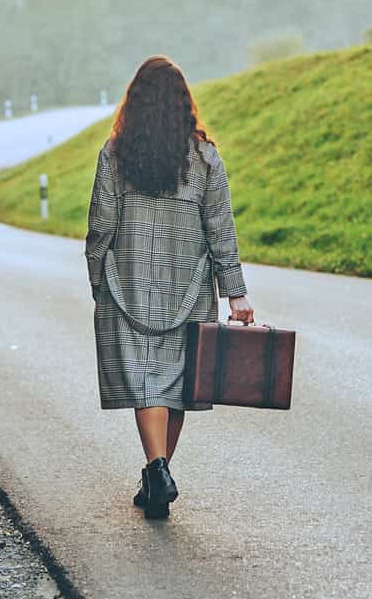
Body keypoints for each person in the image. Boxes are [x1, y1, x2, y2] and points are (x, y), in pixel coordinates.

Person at [84, 55, 253, 520]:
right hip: (190, 286)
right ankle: (158, 471)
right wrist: (235, 292)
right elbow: (221, 230)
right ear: (184, 105)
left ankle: (156, 469)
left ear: (134, 105)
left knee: (145, 381)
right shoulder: (205, 159)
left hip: (129, 284)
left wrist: (99, 279)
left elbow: (101, 225)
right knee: (178, 382)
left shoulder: (114, 156)